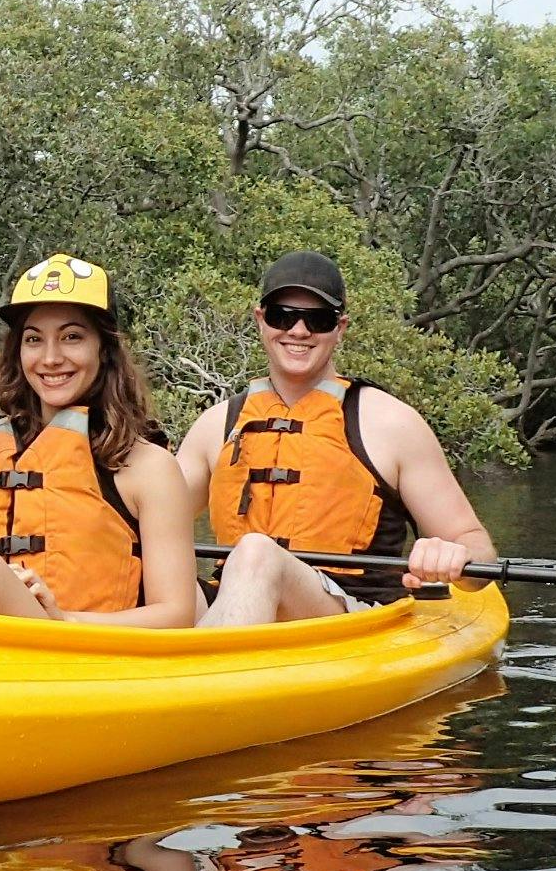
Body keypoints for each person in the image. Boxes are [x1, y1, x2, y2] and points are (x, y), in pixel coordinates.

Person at [176, 249, 497, 624]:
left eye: (318, 320)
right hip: (234, 600)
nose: (298, 331)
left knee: (256, 554)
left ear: (340, 328)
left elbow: (478, 549)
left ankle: (210, 671)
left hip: (351, 615)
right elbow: (147, 529)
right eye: (283, 316)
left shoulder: (392, 423)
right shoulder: (216, 425)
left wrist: (453, 555)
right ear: (261, 320)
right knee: (149, 579)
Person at [0, 254, 198, 627]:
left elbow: (176, 615)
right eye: (34, 339)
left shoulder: (149, 468)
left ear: (104, 348)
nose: (50, 358)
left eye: (71, 337)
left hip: (90, 656)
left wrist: (65, 618)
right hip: (0, 644)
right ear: (19, 352)